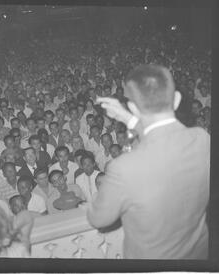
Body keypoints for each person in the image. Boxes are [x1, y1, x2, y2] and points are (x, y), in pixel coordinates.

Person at [88, 65, 210, 259]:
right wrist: (129, 119)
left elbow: (98, 218)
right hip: (199, 256)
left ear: (134, 107)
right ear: (177, 100)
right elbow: (163, 141)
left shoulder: (123, 168)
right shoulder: (202, 138)